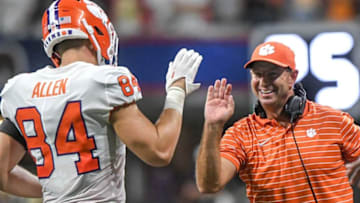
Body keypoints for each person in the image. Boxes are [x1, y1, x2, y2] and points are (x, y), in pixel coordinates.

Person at [0, 0, 203, 202]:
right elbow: (159, 151)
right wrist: (177, 91)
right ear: (95, 34)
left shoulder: (21, 89)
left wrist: (57, 191)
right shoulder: (104, 82)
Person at [196, 41, 360, 202]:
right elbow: (209, 185)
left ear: (292, 77)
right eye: (257, 74)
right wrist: (213, 125)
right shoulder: (241, 134)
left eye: (272, 74)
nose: (263, 82)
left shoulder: (331, 120)